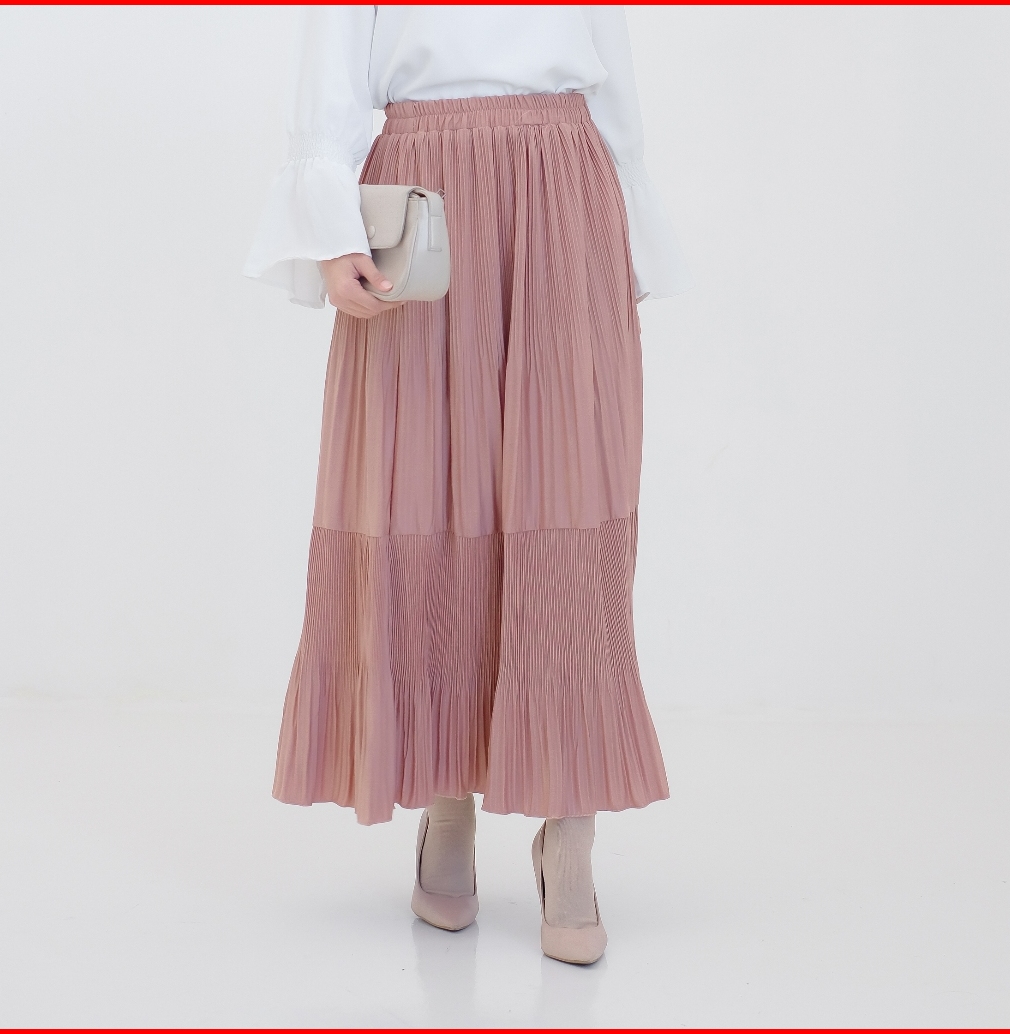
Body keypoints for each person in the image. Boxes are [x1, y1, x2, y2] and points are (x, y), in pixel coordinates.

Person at [242, 4, 692, 966]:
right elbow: (334, 51)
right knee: (430, 499)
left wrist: (630, 223)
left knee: (566, 501)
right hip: (423, 194)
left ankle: (570, 831)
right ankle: (447, 798)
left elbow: (607, 54)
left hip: (562, 182)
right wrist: (330, 223)